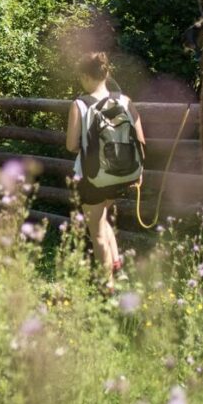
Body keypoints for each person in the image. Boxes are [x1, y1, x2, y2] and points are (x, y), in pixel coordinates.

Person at [65, 52, 146, 290]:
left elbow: (71, 145)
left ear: (83, 76)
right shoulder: (125, 101)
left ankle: (107, 287)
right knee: (102, 217)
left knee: (97, 232)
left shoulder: (80, 104)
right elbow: (140, 140)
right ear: (106, 73)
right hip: (122, 174)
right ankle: (117, 267)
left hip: (93, 177)